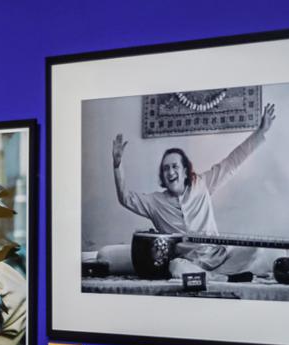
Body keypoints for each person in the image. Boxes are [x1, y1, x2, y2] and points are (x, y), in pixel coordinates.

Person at [112, 103, 276, 276]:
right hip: (192, 264)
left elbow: (232, 162)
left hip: (219, 256)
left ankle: (217, 277)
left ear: (184, 171)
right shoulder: (155, 203)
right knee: (176, 268)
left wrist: (260, 132)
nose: (170, 172)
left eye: (175, 167)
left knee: (257, 252)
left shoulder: (202, 184)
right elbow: (125, 198)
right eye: (166, 169)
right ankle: (224, 278)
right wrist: (117, 165)